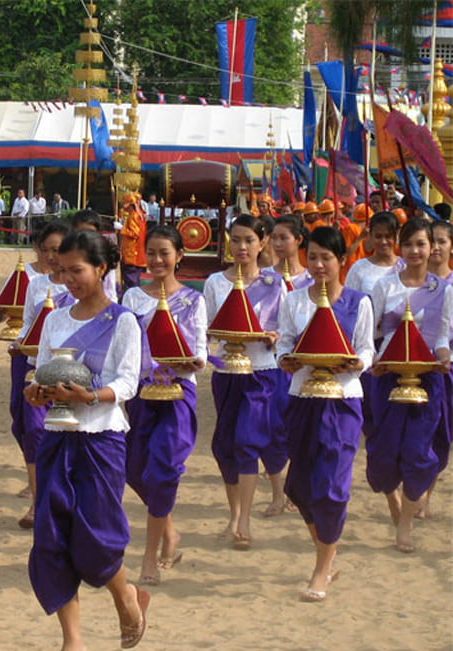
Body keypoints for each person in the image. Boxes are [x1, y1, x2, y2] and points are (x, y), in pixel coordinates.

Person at [24, 230, 150, 651]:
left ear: (101, 268)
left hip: (101, 439)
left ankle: (125, 594)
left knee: (94, 536)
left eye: (77, 270)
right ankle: (72, 643)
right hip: (58, 435)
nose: (69, 279)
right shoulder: (56, 318)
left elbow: (128, 381)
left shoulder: (124, 321)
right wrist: (36, 392)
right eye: (62, 271)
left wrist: (91, 396)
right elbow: (36, 370)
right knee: (51, 538)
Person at [278, 225, 374, 601]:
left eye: (327, 258)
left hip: (343, 400)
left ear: (341, 261)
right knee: (300, 488)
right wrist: (286, 359)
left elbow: (367, 350)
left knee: (332, 488)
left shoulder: (358, 302)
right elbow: (285, 342)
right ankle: (327, 551)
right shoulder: (294, 301)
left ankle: (321, 568)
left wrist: (353, 363)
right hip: (302, 397)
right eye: (313, 256)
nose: (318, 265)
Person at [123, 225, 207, 585]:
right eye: (151, 252)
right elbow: (126, 347)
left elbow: (200, 352)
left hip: (177, 393)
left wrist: (182, 365)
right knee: (136, 469)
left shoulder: (193, 300)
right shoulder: (132, 299)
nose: (157, 260)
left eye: (164, 253)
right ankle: (169, 531)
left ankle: (149, 555)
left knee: (164, 468)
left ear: (179, 256)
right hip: (141, 392)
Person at [366, 219, 452, 552]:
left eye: (421, 244)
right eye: (409, 245)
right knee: (384, 450)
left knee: (419, 453)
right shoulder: (385, 287)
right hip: (386, 376)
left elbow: (442, 336)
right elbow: (371, 334)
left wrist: (442, 359)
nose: (415, 251)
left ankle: (405, 525)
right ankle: (392, 498)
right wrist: (373, 360)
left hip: (427, 378)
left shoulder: (444, 290)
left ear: (432, 248)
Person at [204, 214, 288, 548]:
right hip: (226, 372)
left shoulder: (275, 284)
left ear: (262, 242)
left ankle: (244, 521)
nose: (242, 247)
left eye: (250, 240)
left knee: (247, 441)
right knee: (224, 445)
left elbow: (286, 329)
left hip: (263, 371)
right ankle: (233, 513)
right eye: (236, 240)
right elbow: (207, 327)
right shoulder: (215, 283)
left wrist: (273, 337)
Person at [9, 222, 72, 529]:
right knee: (33, 431)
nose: (51, 256)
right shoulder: (36, 284)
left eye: (58, 250)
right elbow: (28, 323)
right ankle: (37, 502)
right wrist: (18, 343)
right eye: (45, 250)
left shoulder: (78, 285)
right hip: (35, 367)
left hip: (71, 371)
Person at [423, 220, 453, 518]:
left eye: (442, 241)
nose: (436, 247)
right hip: (408, 366)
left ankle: (426, 495)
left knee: (440, 436)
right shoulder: (406, 284)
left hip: (446, 369)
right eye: (430, 240)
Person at [345, 212, 404, 295]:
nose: (383, 242)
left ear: (396, 235)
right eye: (378, 236)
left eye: (388, 236)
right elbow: (349, 302)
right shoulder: (359, 268)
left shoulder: (405, 267)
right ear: (370, 235)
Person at [71, 209, 118, 301]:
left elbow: (110, 290)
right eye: (81, 233)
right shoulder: (66, 256)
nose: (86, 237)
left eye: (91, 233)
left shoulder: (103, 257)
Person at [264, 214, 313, 289]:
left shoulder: (311, 281)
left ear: (299, 239)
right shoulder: (263, 276)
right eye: (274, 238)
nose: (277, 244)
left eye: (283, 238)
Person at [119, 192, 147, 290]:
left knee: (131, 279)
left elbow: (135, 233)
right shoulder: (139, 215)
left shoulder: (134, 216)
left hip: (132, 251)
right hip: (135, 250)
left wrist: (122, 229)